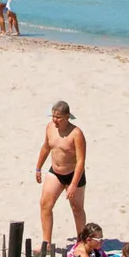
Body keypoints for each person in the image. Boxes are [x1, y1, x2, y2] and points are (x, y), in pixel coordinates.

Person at [36, 101, 88, 246]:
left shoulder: (76, 134)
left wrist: (73, 184)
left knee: (77, 209)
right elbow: (46, 147)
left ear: (67, 117)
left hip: (73, 174)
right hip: (55, 172)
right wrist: (38, 168)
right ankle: (46, 242)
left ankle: (81, 243)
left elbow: (80, 161)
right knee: (45, 205)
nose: (55, 120)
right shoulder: (50, 128)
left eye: (58, 117)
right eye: (53, 116)